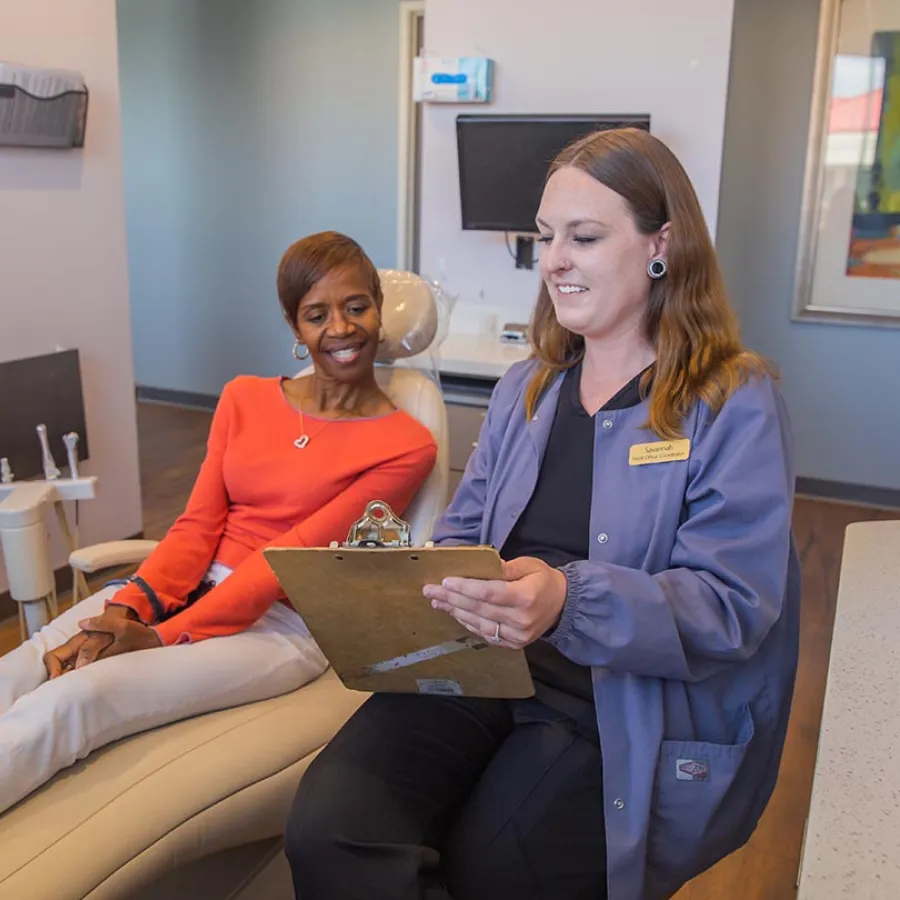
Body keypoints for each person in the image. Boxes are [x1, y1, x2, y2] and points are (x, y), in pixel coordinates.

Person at [284, 130, 801, 900]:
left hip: (609, 699)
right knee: (330, 831)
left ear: (662, 244)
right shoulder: (527, 388)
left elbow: (731, 605)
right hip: (482, 669)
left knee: (493, 866)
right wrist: (401, 593)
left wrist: (566, 599)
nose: (553, 259)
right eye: (546, 235)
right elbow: (462, 535)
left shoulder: (730, 400)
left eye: (584, 237)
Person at [0, 231, 438, 816]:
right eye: (317, 314)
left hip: (283, 621)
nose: (341, 327)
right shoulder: (243, 398)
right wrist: (126, 610)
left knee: (80, 695)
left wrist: (155, 639)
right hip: (190, 586)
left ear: (378, 311)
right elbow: (196, 525)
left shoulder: (406, 444)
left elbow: (291, 557)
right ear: (294, 326)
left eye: (356, 306)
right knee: (33, 659)